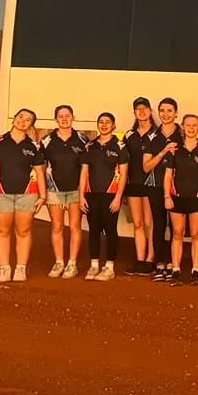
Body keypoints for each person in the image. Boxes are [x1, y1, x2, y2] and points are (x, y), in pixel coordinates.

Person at [0, 108, 43, 284]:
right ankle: (5, 268)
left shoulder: (33, 146)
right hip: (1, 193)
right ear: (14, 118)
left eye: (28, 120)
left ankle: (21, 268)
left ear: (31, 125)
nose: (23, 121)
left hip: (27, 194)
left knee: (23, 231)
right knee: (2, 230)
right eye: (20, 117)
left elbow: (39, 172)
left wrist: (43, 196)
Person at [163, 114, 198, 283]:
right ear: (183, 127)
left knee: (196, 234)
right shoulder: (174, 150)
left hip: (197, 199)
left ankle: (195, 270)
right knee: (177, 233)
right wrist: (166, 196)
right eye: (188, 125)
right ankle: (176, 270)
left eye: (194, 125)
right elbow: (168, 175)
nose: (191, 128)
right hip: (176, 198)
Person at [39, 104, 87, 278]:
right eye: (61, 116)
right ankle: (59, 262)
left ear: (73, 118)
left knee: (75, 226)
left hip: (76, 190)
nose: (64, 119)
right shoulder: (46, 141)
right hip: (54, 190)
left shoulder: (82, 140)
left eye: (68, 116)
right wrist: (42, 190)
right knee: (57, 227)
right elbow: (40, 166)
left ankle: (72, 263)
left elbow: (86, 166)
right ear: (56, 119)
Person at [140, 99, 184, 281]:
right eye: (162, 111)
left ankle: (174, 264)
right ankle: (159, 263)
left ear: (176, 113)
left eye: (169, 110)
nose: (166, 114)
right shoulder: (152, 137)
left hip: (178, 188)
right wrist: (163, 152)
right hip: (155, 186)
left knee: (176, 227)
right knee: (158, 225)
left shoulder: (183, 135)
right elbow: (146, 167)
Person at [82, 112, 129, 280]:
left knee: (110, 230)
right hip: (91, 194)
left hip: (111, 195)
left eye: (107, 122)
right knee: (93, 229)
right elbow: (84, 172)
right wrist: (81, 196)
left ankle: (109, 267)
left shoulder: (120, 146)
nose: (104, 125)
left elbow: (123, 174)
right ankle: (94, 265)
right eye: (100, 122)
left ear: (113, 125)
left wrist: (118, 197)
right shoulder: (90, 146)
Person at [123, 97, 159, 275]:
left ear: (151, 111)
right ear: (135, 113)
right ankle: (140, 260)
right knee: (137, 223)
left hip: (151, 184)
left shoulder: (157, 133)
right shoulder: (129, 135)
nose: (142, 112)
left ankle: (150, 260)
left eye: (145, 108)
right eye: (138, 109)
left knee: (149, 222)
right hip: (133, 183)